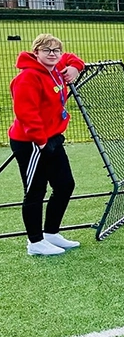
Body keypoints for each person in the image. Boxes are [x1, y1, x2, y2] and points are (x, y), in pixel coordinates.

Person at [8, 33, 84, 255]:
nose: (53, 54)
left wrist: (75, 67)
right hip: (31, 142)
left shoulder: (55, 67)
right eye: (46, 50)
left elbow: (71, 58)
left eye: (56, 50)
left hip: (52, 139)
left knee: (65, 184)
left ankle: (51, 233)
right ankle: (35, 242)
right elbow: (25, 112)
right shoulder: (28, 77)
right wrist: (40, 141)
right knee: (35, 190)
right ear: (36, 53)